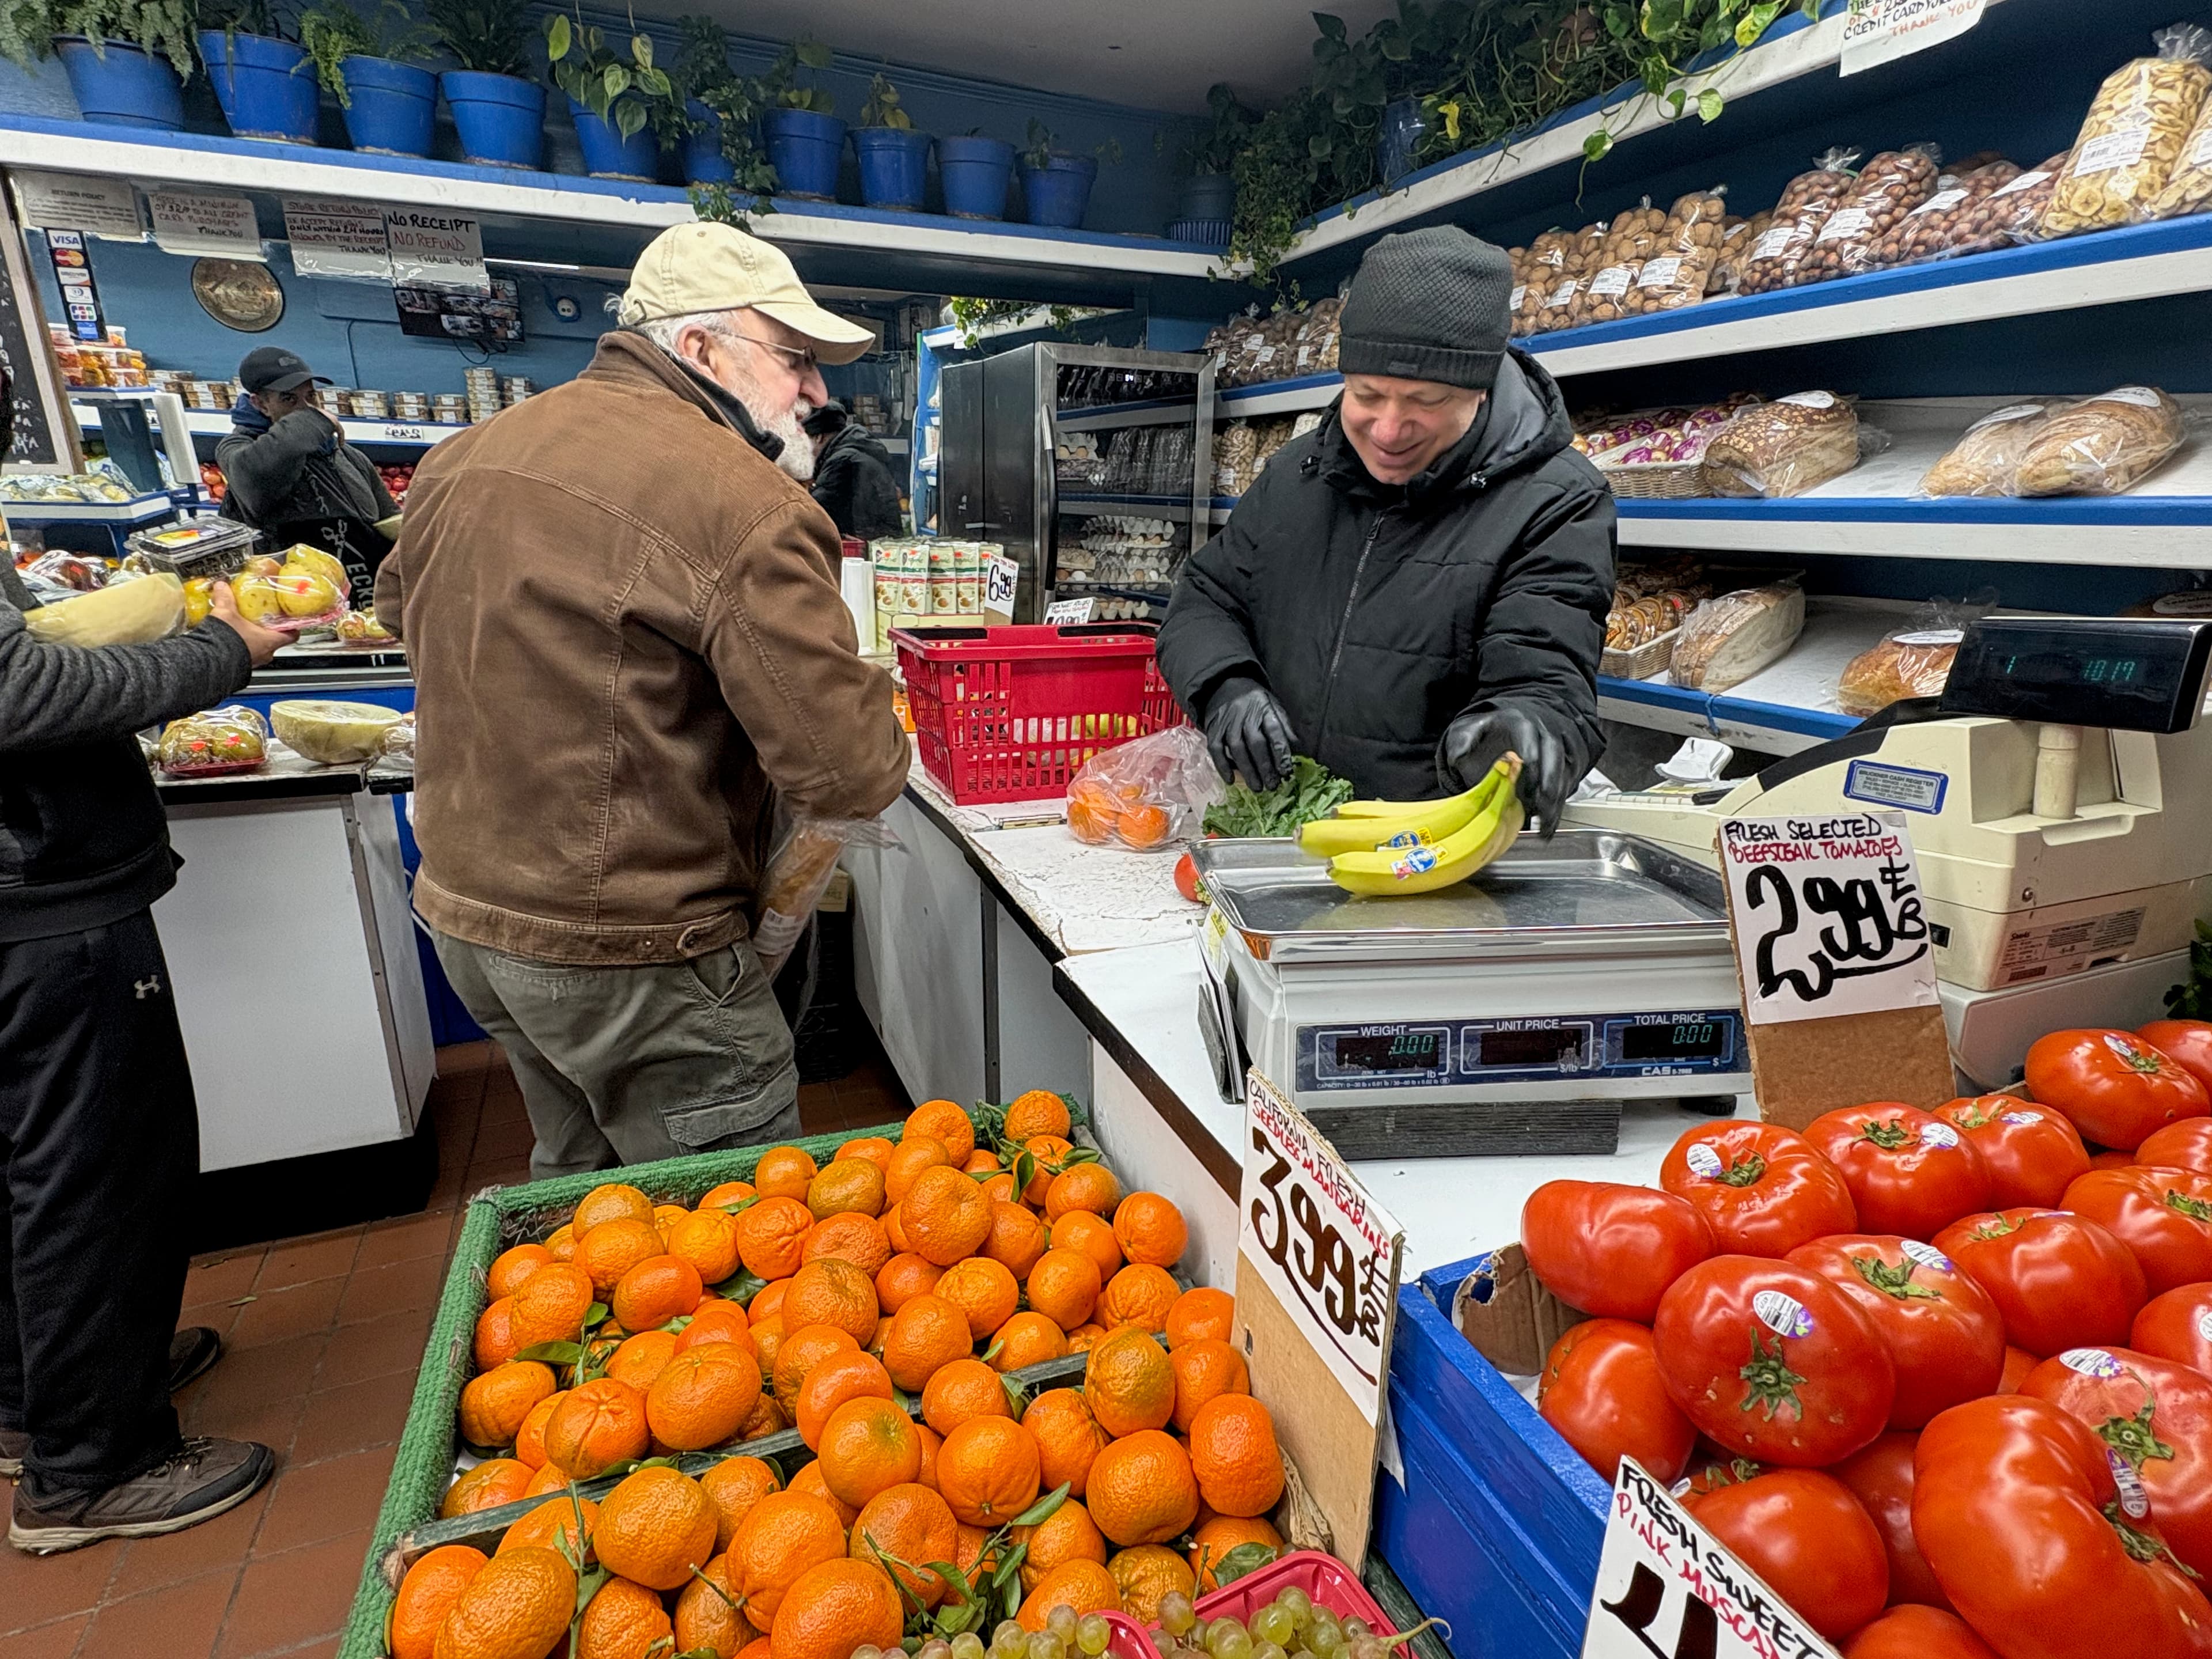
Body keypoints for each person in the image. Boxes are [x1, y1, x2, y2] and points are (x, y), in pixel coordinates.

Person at [376, 222, 910, 1179]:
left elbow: (393, 610)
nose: (819, 394)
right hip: (633, 949)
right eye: (797, 359)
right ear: (701, 350)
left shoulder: (465, 458)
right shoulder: (745, 503)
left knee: (595, 1209)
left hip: (470, 915)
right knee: (735, 1244)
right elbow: (850, 771)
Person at [0, 543, 289, 1552]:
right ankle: (92, 1464)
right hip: (40, 903)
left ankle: (46, 1392)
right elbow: (17, 689)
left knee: (32, 1168)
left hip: (25, 901)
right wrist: (224, 650)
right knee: (100, 1173)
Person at [1156, 226, 1614, 831]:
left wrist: (1520, 732)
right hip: (1279, 837)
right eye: (1367, 394)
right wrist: (1225, 685)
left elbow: (1548, 679)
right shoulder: (1299, 475)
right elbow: (1204, 600)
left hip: (1424, 858)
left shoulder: (1556, 502)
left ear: (1478, 391)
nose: (1389, 430)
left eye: (1424, 401)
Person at [215, 346, 397, 608]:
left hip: (365, 605)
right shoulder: (238, 450)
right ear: (260, 403)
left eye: (311, 397)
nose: (306, 408)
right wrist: (313, 421)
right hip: (299, 613)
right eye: (289, 399)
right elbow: (258, 472)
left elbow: (388, 519)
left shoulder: (348, 456)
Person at [804, 400, 904, 542]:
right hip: (881, 545)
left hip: (863, 548)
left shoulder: (842, 460)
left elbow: (812, 511)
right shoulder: (863, 453)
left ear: (818, 437)